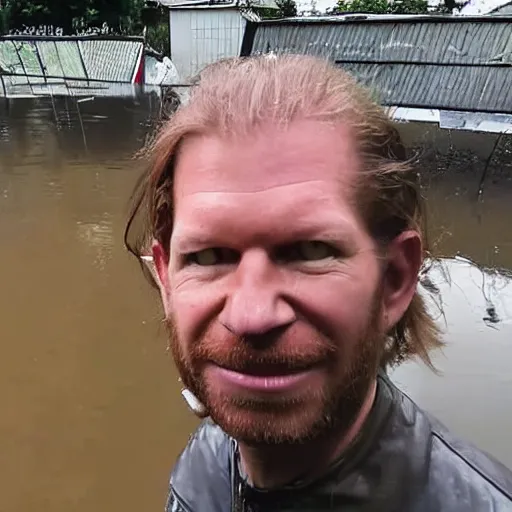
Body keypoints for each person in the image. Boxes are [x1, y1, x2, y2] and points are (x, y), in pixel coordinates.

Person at [125, 54, 512, 511]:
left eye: (310, 251)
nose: (252, 316)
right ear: (166, 277)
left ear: (395, 279)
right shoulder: (203, 467)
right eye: (209, 256)